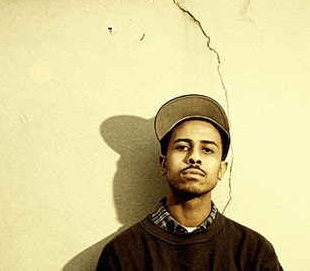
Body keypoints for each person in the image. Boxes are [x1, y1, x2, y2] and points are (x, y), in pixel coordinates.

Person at [96, 94, 283, 270]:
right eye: (183, 147)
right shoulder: (122, 252)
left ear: (221, 169)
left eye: (207, 150)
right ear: (163, 164)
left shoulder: (254, 251)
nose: (194, 157)